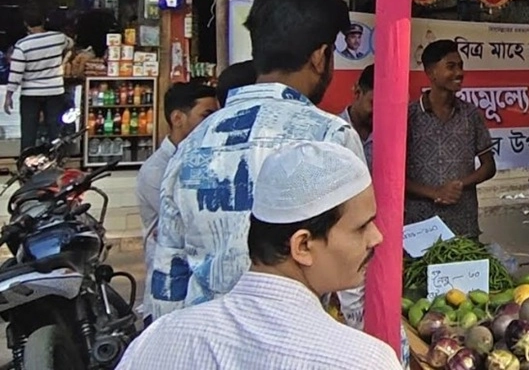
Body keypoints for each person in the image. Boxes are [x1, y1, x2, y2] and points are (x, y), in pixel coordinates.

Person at [148, 0, 367, 318]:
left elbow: (167, 270)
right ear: (320, 57)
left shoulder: (193, 142)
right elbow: (353, 264)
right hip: (292, 342)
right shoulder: (329, 136)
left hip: (204, 339)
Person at [119, 141, 399, 369]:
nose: (376, 237)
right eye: (361, 226)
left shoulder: (159, 338)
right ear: (302, 246)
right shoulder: (363, 361)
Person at [136, 82, 220, 314]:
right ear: (177, 118)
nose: (214, 123)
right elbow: (194, 223)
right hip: (171, 290)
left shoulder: (206, 160)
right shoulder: (156, 170)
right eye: (207, 115)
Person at [405, 40, 496, 238]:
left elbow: (489, 166)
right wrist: (434, 192)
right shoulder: (408, 116)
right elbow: (393, 176)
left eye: (461, 66)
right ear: (431, 73)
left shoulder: (471, 114)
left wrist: (460, 184)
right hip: (419, 226)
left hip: (463, 225)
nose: (459, 73)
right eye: (451, 66)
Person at [4, 8, 74, 151]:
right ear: (43, 22)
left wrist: (9, 95)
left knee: (29, 132)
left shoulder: (22, 46)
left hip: (30, 94)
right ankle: (56, 162)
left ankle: (27, 164)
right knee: (55, 130)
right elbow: (71, 43)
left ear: (26, 25)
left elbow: (16, 73)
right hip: (55, 91)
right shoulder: (58, 38)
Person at [343, 64, 375, 167]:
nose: (380, 113)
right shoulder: (332, 132)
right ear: (358, 92)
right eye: (373, 103)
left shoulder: (392, 137)